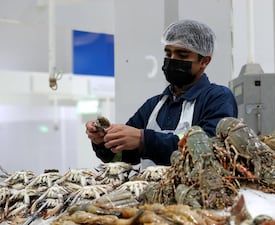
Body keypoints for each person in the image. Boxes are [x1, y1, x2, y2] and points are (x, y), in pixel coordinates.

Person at [85, 19, 238, 167]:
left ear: (204, 61)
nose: (172, 59)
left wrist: (144, 139)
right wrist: (103, 141)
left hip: (198, 191)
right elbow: (121, 159)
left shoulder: (218, 98)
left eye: (182, 55)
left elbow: (211, 149)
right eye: (168, 54)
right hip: (150, 191)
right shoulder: (154, 105)